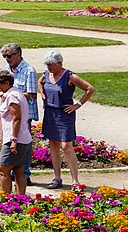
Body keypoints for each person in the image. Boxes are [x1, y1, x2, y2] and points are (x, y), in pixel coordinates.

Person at [0, 43, 38, 184]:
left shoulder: (29, 71)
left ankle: (25, 174)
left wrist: (13, 95)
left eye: (9, 55)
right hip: (9, 113)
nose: (7, 58)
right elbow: (4, 88)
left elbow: (32, 94)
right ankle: (15, 174)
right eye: (4, 56)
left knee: (20, 143)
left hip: (25, 114)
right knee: (13, 145)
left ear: (18, 54)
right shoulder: (7, 70)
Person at [39, 50, 96, 191]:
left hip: (64, 114)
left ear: (60, 63)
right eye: (47, 65)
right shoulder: (46, 74)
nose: (49, 67)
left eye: (51, 65)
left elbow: (90, 89)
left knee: (66, 146)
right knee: (53, 145)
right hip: (50, 113)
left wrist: (77, 104)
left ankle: (75, 180)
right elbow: (40, 83)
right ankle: (57, 177)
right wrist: (43, 94)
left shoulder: (70, 76)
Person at [0, 68, 31, 195]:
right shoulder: (16, 93)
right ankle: (20, 198)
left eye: (0, 85)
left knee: (3, 168)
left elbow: (16, 118)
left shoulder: (12, 96)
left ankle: (5, 198)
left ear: (7, 83)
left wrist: (13, 140)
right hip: (23, 138)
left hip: (14, 139)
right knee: (18, 169)